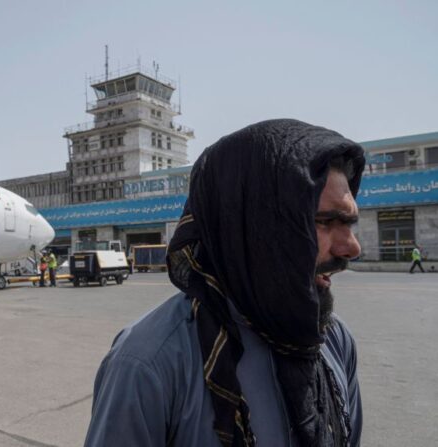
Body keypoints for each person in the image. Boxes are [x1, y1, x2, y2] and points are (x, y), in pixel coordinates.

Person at [84, 119, 364, 447]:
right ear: (253, 224)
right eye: (326, 221)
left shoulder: (333, 340)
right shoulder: (149, 363)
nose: (352, 248)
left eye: (350, 222)